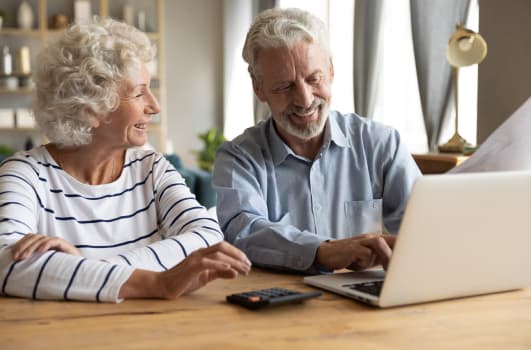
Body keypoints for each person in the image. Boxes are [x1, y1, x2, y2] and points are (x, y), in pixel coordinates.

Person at [0, 18, 251, 303]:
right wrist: (156, 283)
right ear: (90, 109)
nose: (154, 106)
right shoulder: (24, 174)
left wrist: (88, 271)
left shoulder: (150, 168)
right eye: (139, 92)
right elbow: (7, 264)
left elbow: (207, 238)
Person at [213, 8, 421, 273]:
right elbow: (243, 231)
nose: (305, 100)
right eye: (284, 87)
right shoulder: (238, 158)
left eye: (314, 79)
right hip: (280, 304)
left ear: (331, 71)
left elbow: (425, 227)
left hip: (366, 304)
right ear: (259, 89)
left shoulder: (381, 144)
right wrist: (323, 251)